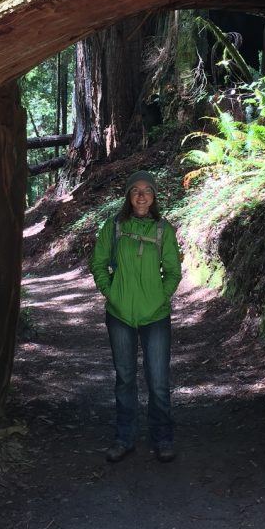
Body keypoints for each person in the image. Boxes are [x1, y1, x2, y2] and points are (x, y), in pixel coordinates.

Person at [90, 170, 182, 464]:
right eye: (135, 191)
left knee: (158, 381)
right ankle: (124, 437)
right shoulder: (113, 227)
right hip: (119, 315)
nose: (141, 196)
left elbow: (173, 271)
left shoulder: (162, 230)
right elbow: (99, 263)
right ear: (128, 196)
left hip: (155, 316)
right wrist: (111, 293)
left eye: (147, 191)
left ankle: (163, 438)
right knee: (125, 378)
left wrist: (160, 296)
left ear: (154, 196)